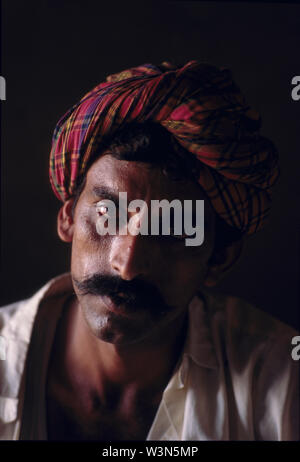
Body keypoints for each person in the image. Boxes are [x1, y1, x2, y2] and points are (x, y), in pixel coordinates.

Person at [0, 61, 298, 441]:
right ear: (68, 218)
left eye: (171, 231)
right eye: (107, 216)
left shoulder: (277, 386)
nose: (126, 265)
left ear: (219, 257)